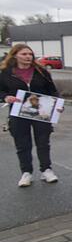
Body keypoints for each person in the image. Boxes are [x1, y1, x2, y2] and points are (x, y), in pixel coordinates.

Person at [0, 44, 61, 187]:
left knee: (43, 142)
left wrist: (57, 105)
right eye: (24, 54)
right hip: (18, 113)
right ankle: (26, 173)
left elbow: (52, 91)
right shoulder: (5, 73)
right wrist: (6, 97)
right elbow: (1, 91)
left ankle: (46, 170)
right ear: (15, 55)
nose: (28, 57)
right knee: (22, 144)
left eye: (30, 54)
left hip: (41, 112)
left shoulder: (41, 72)